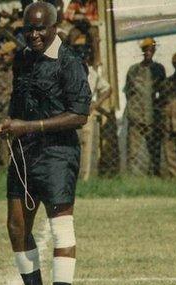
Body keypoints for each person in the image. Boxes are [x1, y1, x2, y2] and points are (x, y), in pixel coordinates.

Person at [0, 2, 91, 285]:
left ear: (54, 26)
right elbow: (20, 101)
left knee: (61, 228)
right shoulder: (22, 57)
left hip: (58, 155)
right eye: (28, 29)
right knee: (16, 226)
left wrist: (30, 126)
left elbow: (80, 115)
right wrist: (9, 123)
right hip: (24, 152)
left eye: (40, 28)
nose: (34, 34)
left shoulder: (70, 62)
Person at [123, 37, 166, 175]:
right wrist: (132, 110)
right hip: (136, 116)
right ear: (142, 51)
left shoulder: (159, 69)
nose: (148, 52)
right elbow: (128, 92)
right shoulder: (134, 70)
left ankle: (155, 177)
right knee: (133, 152)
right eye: (146, 50)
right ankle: (133, 181)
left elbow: (163, 92)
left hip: (153, 116)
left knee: (155, 150)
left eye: (151, 50)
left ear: (154, 51)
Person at [72, 35, 111, 180]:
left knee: (88, 145)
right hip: (70, 112)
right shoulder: (69, 70)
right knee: (73, 145)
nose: (81, 55)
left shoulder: (92, 73)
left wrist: (96, 104)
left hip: (87, 113)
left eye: (83, 52)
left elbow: (107, 89)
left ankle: (86, 178)